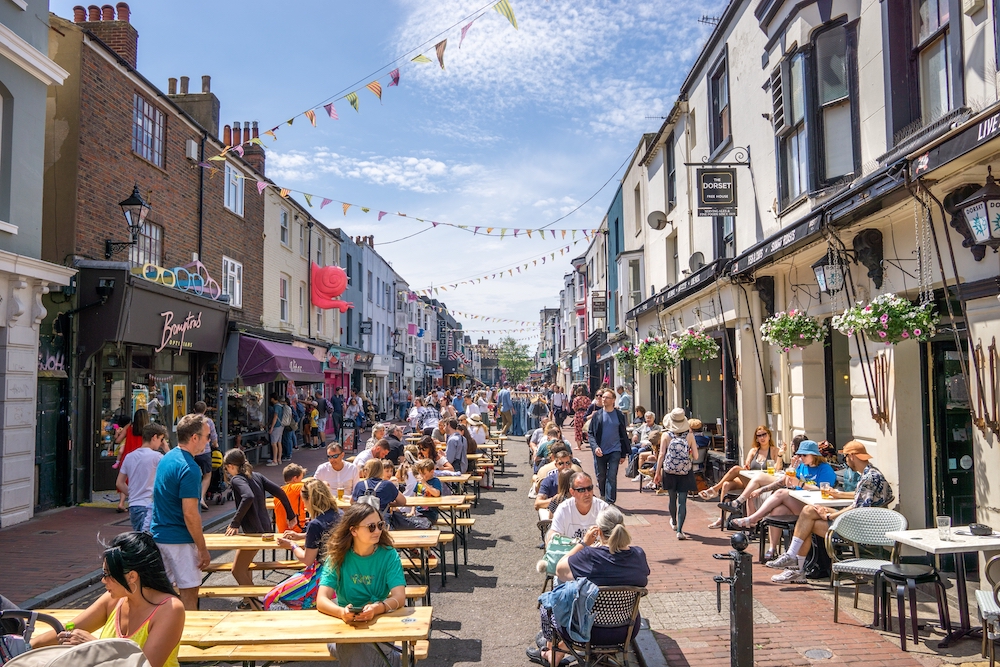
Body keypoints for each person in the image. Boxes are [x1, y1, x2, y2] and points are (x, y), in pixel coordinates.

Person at [31, 532, 185, 667]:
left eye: (107, 574)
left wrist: (95, 646)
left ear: (132, 576)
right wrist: (26, 647)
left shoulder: (170, 609)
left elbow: (147, 664)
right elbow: (67, 629)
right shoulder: (113, 600)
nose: (103, 581)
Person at [528, 507, 650, 666]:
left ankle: (553, 652)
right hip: (625, 631)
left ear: (598, 531)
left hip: (588, 632)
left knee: (549, 603)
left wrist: (584, 543)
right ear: (623, 528)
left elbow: (560, 570)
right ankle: (563, 652)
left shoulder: (590, 556)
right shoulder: (638, 555)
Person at [766, 441, 894, 583]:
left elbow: (857, 509)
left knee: (807, 521)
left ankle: (795, 565)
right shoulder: (871, 472)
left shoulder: (869, 478)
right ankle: (794, 563)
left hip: (861, 529)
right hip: (862, 521)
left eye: (845, 457)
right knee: (809, 511)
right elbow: (859, 495)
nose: (845, 460)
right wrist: (839, 495)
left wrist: (830, 515)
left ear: (851, 456)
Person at [317, 503, 408, 666]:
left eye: (380, 525)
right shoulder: (338, 556)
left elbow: (399, 597)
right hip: (345, 627)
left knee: (356, 649)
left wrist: (378, 608)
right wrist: (341, 613)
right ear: (353, 531)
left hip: (380, 623)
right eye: (371, 527)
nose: (378, 531)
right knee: (354, 645)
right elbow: (322, 599)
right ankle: (391, 660)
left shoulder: (388, 555)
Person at [729, 441, 838, 552]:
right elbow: (784, 481)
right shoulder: (802, 466)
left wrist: (801, 484)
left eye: (805, 455)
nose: (802, 457)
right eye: (800, 455)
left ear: (814, 455)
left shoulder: (825, 469)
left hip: (814, 506)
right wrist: (792, 467)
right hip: (799, 502)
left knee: (782, 493)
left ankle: (753, 519)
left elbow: (823, 489)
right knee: (777, 511)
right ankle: (772, 549)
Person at [150, 413, 211, 610]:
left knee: (162, 595)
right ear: (195, 438)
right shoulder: (190, 468)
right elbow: (190, 514)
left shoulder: (167, 458)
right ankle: (188, 637)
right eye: (207, 436)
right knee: (189, 592)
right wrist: (202, 549)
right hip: (180, 540)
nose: (208, 441)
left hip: (160, 534)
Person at [223, 449, 297, 609]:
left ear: (230, 466)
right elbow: (280, 492)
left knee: (237, 570)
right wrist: (291, 515)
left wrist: (235, 523)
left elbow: (247, 496)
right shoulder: (256, 476)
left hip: (254, 533)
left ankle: (257, 605)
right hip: (265, 529)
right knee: (244, 565)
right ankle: (247, 600)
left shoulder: (237, 479)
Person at [268, 478, 342, 610]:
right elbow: (327, 534)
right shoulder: (340, 514)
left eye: (303, 501)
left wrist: (292, 545)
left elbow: (307, 559)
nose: (303, 505)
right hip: (343, 571)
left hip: (323, 575)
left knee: (272, 598)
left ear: (310, 500)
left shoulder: (315, 524)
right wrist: (301, 536)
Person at [699, 425, 783, 509]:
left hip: (762, 482)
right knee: (726, 484)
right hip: (750, 480)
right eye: (759, 435)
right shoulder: (754, 451)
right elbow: (747, 464)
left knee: (736, 469)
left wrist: (779, 456)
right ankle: (722, 517)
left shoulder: (775, 450)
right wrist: (746, 466)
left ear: (769, 436)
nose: (762, 437)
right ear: (756, 438)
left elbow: (778, 468)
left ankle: (715, 489)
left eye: (764, 434)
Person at [653, 408, 699, 540]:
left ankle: (673, 521)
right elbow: (695, 456)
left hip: (669, 471)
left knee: (672, 498)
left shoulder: (666, 436)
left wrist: (657, 473)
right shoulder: (690, 436)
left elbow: (661, 455)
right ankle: (680, 530)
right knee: (682, 501)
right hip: (685, 472)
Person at [116, 423, 168, 532]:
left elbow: (119, 483)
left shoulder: (129, 457)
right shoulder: (157, 457)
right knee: (147, 541)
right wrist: (166, 448)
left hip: (134, 505)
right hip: (149, 505)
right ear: (154, 437)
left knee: (140, 539)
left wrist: (132, 493)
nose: (161, 443)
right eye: (161, 439)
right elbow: (175, 465)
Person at [587, 389, 629, 505]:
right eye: (602, 397)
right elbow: (590, 433)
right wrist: (595, 447)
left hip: (615, 450)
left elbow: (623, 434)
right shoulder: (597, 415)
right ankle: (603, 496)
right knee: (601, 476)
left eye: (606, 397)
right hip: (600, 451)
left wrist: (623, 453)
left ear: (613, 400)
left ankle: (610, 502)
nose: (603, 399)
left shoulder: (619, 415)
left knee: (612, 476)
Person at [547, 472, 609, 543]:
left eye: (589, 488)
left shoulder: (603, 508)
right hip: (571, 552)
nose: (587, 493)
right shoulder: (563, 509)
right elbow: (552, 537)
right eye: (581, 490)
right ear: (572, 492)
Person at [113, 408, 149, 512]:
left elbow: (118, 440)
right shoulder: (147, 430)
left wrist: (117, 433)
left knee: (124, 480)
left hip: (127, 456)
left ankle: (121, 503)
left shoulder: (129, 427)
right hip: (142, 456)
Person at [192, 401, 218, 511]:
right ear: (205, 410)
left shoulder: (190, 420)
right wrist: (215, 445)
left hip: (192, 452)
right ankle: (201, 497)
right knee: (207, 475)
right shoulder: (208, 421)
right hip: (205, 452)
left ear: (194, 410)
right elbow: (214, 438)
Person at [276, 463, 308, 534]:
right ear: (295, 479)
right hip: (296, 530)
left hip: (282, 530)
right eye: (301, 479)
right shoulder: (295, 488)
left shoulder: (280, 491)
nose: (302, 481)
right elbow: (314, 485)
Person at [412, 459, 443, 525]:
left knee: (421, 524)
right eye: (420, 473)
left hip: (430, 513)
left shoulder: (435, 481)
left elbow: (437, 493)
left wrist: (425, 484)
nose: (422, 476)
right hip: (418, 512)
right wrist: (412, 510)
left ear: (432, 472)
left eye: (424, 474)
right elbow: (415, 496)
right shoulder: (419, 482)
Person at [571, 386, 591, 451]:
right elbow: (590, 407)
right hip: (586, 414)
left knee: (578, 430)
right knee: (587, 429)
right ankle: (591, 443)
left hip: (578, 414)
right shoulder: (587, 399)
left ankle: (579, 446)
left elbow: (574, 408)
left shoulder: (576, 399)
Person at [268, 394, 285, 467]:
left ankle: (274, 460)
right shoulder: (281, 406)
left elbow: (275, 417)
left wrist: (271, 427)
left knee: (274, 443)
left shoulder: (276, 406)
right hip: (281, 425)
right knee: (279, 443)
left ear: (272, 399)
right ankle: (279, 459)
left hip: (276, 426)